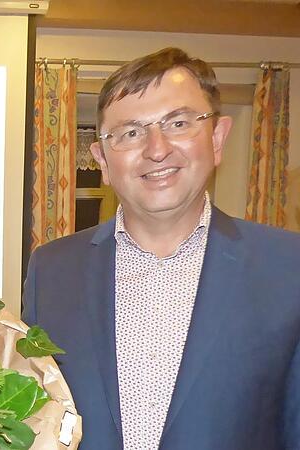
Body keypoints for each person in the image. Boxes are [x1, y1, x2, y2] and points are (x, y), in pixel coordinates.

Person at [22, 47, 300, 450]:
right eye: (130, 132)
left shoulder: (288, 268)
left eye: (178, 123)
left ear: (217, 138)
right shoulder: (52, 271)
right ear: (102, 159)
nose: (156, 149)